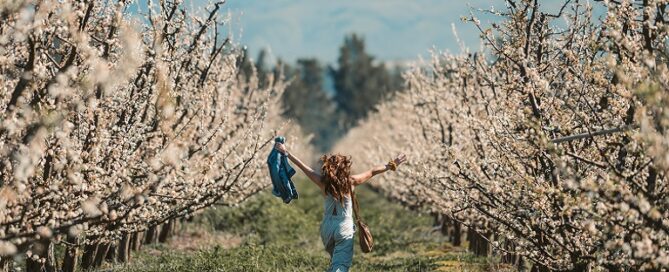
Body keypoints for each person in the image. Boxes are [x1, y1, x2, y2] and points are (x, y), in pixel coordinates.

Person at [273, 142, 407, 272]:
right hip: (344, 226)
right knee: (341, 266)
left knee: (334, 263)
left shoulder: (322, 182)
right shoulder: (351, 182)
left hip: (327, 227)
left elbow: (303, 166)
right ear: (345, 168)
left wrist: (286, 152)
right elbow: (372, 171)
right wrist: (392, 164)